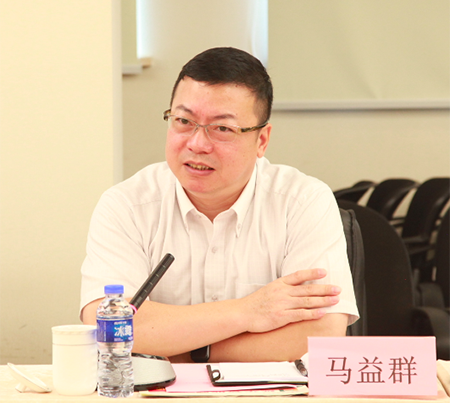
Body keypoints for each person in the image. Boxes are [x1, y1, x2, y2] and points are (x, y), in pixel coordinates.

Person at [80, 47, 359, 363]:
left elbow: (322, 333)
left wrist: (185, 350)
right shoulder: (127, 205)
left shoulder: (303, 202)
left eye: (222, 128)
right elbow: (107, 325)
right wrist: (249, 311)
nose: (197, 144)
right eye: (183, 121)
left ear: (262, 140)